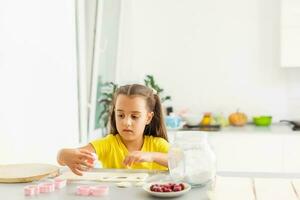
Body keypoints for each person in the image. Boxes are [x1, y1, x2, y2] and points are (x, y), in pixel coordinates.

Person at [57, 84, 170, 175]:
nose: (126, 122)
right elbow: (71, 155)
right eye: (120, 115)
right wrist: (62, 154)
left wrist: (152, 156)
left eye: (134, 116)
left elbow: (182, 163)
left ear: (148, 118)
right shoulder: (108, 144)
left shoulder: (158, 145)